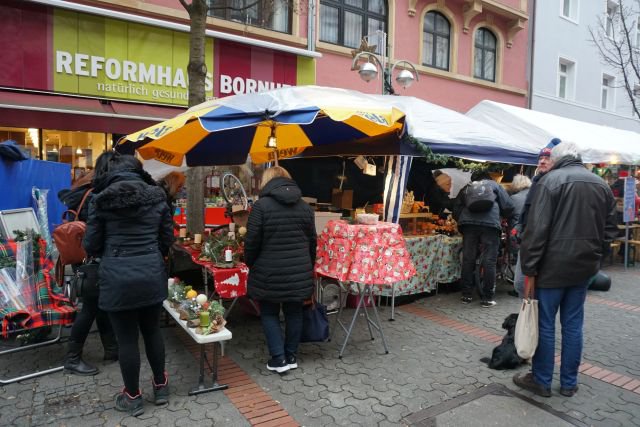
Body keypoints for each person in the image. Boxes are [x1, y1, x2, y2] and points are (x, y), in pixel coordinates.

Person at [513, 142, 617, 398]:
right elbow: (610, 232)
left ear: (557, 159)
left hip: (551, 269)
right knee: (573, 325)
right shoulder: (601, 185)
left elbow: (536, 232)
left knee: (546, 324)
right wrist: (595, 259)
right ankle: (569, 383)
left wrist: (530, 269)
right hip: (582, 269)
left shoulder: (551, 182)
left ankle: (542, 380)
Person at [83, 153, 174, 416]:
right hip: (150, 274)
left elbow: (91, 244)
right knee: (152, 332)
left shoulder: (100, 200)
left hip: (117, 277)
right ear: (137, 170)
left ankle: (133, 397)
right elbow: (167, 237)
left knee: (126, 340)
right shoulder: (156, 197)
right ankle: (161, 387)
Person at [244, 166, 316, 374]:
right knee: (294, 312)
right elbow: (313, 242)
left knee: (269, 312)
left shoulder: (261, 206)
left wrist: (251, 262)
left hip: (269, 272)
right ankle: (291, 355)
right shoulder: (304, 207)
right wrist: (307, 266)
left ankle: (278, 358)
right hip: (298, 270)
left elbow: (252, 242)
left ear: (267, 182)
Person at [58, 153, 119, 376]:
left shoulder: (84, 192)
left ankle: (112, 349)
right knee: (91, 307)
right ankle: (72, 359)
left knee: (98, 303)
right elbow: (96, 232)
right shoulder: (96, 196)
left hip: (84, 259)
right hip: (91, 259)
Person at [453, 170, 515, 307]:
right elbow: (509, 206)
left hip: (468, 225)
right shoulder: (495, 186)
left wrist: (463, 221)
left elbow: (456, 209)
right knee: (489, 261)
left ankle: (466, 295)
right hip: (490, 225)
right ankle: (487, 298)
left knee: (468, 259)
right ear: (489, 177)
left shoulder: (467, 187)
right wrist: (501, 216)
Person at [508, 174, 532, 298]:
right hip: (530, 235)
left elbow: (507, 213)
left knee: (518, 261)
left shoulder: (514, 198)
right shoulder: (534, 195)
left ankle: (519, 288)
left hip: (517, 233)